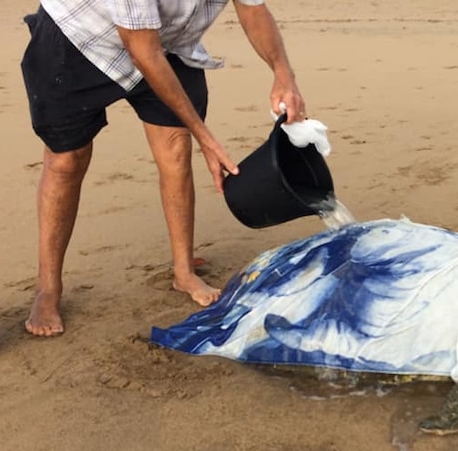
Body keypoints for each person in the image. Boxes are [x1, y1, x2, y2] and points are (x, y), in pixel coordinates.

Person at [20, 1, 306, 336]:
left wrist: (283, 73)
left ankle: (184, 272)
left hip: (166, 43)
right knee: (66, 161)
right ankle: (48, 289)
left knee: (175, 147)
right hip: (80, 38)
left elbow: (253, 9)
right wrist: (205, 135)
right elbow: (143, 51)